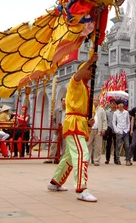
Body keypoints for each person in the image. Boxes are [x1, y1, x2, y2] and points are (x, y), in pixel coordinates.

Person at [48, 53, 98, 202]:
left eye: (92, 69)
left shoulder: (87, 89)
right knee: (82, 153)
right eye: (89, 69)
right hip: (74, 123)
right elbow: (78, 73)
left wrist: (90, 120)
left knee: (70, 157)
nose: (91, 72)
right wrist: (90, 60)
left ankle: (55, 182)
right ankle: (81, 188)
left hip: (81, 123)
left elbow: (89, 113)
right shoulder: (75, 82)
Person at [87, 96, 107, 166]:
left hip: (98, 130)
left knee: (98, 146)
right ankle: (86, 159)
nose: (95, 101)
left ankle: (96, 160)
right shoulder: (88, 109)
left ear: (98, 102)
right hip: (90, 130)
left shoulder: (101, 110)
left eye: (96, 100)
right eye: (94, 100)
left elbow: (104, 120)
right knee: (88, 145)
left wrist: (104, 129)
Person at [46, 98, 66, 163]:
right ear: (61, 102)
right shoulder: (57, 110)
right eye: (63, 101)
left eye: (66, 101)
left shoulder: (68, 111)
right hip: (57, 130)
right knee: (54, 144)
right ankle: (51, 158)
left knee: (64, 145)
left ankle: (62, 159)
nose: (64, 102)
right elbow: (53, 120)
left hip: (65, 130)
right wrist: (55, 126)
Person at [113, 100, 131, 166]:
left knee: (127, 146)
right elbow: (114, 122)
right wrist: (116, 130)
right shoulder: (115, 113)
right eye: (119, 104)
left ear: (123, 105)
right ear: (117, 105)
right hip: (119, 131)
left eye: (121, 104)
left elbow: (128, 122)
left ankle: (128, 160)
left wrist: (128, 129)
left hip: (125, 131)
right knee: (118, 146)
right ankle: (117, 159)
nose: (120, 105)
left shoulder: (126, 113)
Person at [104, 99, 116, 164]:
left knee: (116, 144)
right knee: (108, 144)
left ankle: (116, 159)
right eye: (111, 103)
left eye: (114, 103)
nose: (113, 105)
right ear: (110, 104)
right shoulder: (107, 112)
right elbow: (105, 121)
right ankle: (107, 159)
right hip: (109, 129)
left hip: (116, 129)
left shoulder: (117, 112)